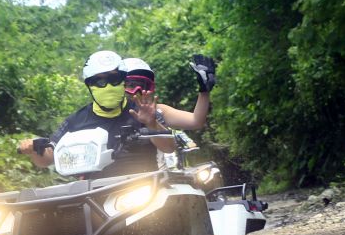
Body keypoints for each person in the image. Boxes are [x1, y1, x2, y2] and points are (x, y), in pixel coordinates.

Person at [17, 50, 177, 177]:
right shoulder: (76, 121)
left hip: (146, 191)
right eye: (99, 82)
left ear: (124, 81)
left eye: (114, 79)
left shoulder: (143, 110)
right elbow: (48, 157)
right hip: (94, 197)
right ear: (89, 85)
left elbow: (169, 148)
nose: (108, 86)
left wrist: (151, 123)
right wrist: (33, 148)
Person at [119, 55, 216, 131]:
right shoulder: (104, 110)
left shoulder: (156, 111)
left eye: (142, 86)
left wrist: (204, 91)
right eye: (131, 85)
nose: (136, 91)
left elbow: (196, 122)